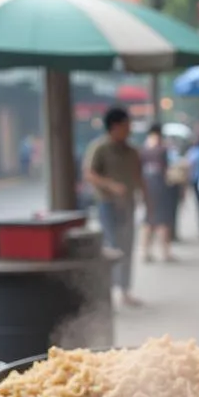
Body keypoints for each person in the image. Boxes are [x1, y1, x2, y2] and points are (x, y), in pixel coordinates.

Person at [84, 107, 146, 308]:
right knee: (111, 247)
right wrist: (111, 185)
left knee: (127, 247)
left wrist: (147, 200)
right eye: (126, 125)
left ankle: (125, 290)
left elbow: (139, 177)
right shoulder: (99, 147)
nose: (129, 129)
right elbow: (90, 174)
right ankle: (107, 292)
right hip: (107, 205)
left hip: (128, 205)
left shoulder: (132, 151)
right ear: (115, 126)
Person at [139, 124, 175, 263]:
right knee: (163, 221)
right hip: (160, 187)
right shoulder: (162, 149)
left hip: (147, 187)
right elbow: (166, 170)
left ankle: (144, 251)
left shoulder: (143, 148)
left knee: (148, 220)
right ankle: (165, 252)